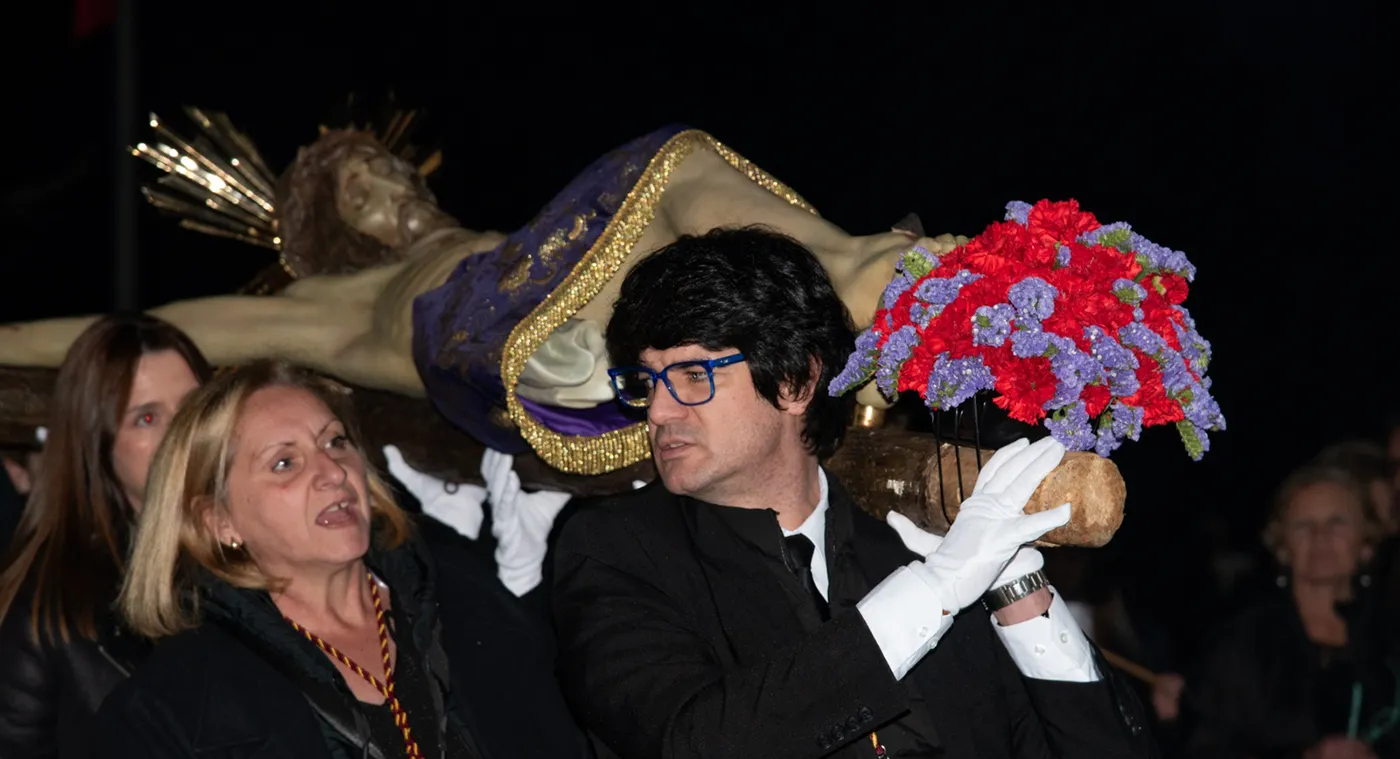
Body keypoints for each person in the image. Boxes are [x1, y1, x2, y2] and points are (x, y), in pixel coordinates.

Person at [0, 126, 961, 476]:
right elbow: (179, 328)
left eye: (381, 168)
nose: (386, 191)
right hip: (494, 344)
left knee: (683, 166)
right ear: (341, 238)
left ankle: (861, 276)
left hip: (565, 286)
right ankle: (866, 283)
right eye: (357, 196)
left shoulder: (516, 236)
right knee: (675, 160)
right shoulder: (352, 300)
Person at [551, 227, 1154, 758]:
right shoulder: (615, 549)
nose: (658, 411)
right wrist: (936, 591)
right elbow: (692, 742)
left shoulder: (920, 550)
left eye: (691, 375)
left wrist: (1017, 592)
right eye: (647, 381)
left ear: (795, 382)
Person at [93, 360, 589, 759]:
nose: (333, 471)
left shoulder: (465, 600)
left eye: (335, 441)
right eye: (284, 463)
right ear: (218, 521)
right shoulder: (167, 712)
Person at [0, 313, 211, 759]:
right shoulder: (45, 606)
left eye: (194, 406)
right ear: (97, 446)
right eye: (147, 418)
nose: (181, 433)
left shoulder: (265, 554)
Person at [1179, 464, 1399, 759]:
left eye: (1337, 523)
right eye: (1304, 525)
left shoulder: (1389, 639)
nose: (1320, 537)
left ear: (1366, 544)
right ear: (1282, 545)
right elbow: (1204, 747)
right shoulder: (1243, 643)